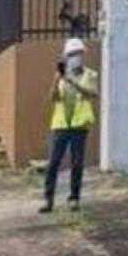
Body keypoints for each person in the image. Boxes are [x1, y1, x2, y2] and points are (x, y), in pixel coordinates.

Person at [40, 38, 98, 214]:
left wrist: (73, 82)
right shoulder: (61, 75)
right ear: (66, 56)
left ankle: (74, 198)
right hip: (61, 124)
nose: (76, 57)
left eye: (78, 54)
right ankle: (48, 199)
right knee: (53, 162)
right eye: (72, 54)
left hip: (79, 124)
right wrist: (58, 79)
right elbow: (53, 98)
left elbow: (92, 93)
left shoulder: (89, 74)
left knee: (77, 162)